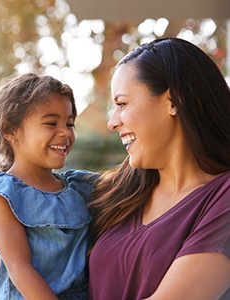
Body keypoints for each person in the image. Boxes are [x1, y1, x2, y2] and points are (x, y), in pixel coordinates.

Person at [88, 37, 230, 300]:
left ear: (174, 101)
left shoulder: (223, 198)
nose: (112, 122)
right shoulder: (118, 190)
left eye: (122, 104)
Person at [0, 73, 97, 300]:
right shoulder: (2, 194)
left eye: (70, 123)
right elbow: (21, 269)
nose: (66, 132)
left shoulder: (80, 187)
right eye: (51, 123)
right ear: (9, 130)